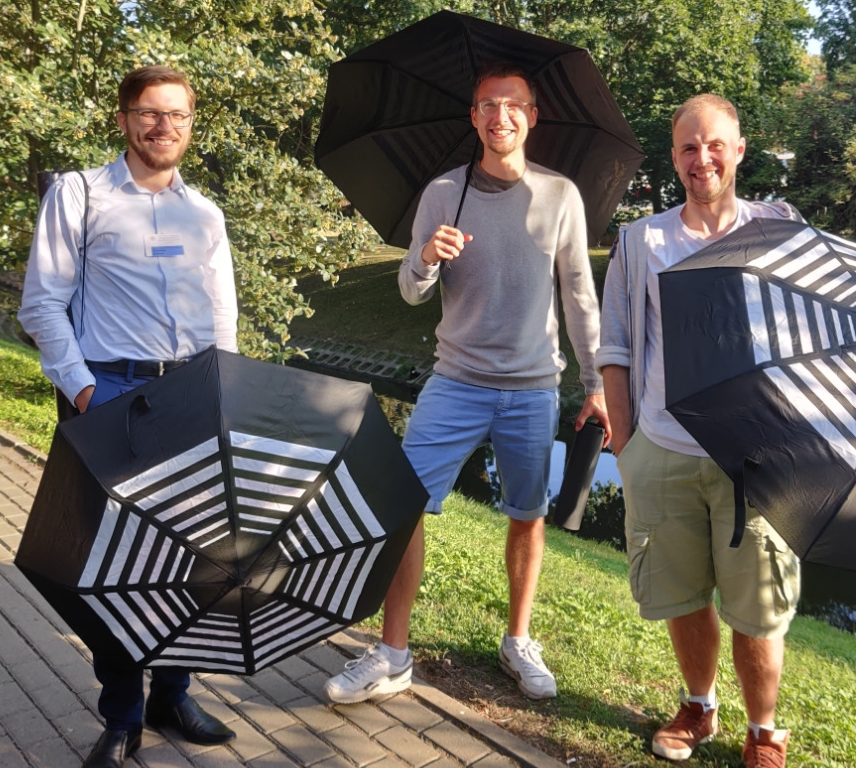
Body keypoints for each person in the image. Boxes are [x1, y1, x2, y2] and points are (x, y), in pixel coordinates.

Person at [324, 63, 611, 704]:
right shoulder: (443, 193)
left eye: (513, 105)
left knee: (527, 515)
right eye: (488, 105)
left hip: (534, 388)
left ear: (532, 116)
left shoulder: (560, 195)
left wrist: (595, 382)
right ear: (473, 117)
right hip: (454, 381)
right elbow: (410, 290)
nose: (500, 116)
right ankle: (393, 653)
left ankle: (518, 641)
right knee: (402, 504)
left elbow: (578, 295)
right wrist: (427, 257)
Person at [19, 65, 238, 768]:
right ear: (123, 119)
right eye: (149, 112)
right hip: (109, 389)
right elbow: (42, 304)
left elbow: (221, 313)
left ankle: (174, 692)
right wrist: (85, 392)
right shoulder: (80, 195)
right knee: (114, 560)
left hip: (192, 391)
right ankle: (123, 716)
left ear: (191, 124)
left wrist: (226, 390)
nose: (163, 126)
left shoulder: (205, 214)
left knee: (192, 553)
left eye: (178, 114)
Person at [596, 94, 803, 768]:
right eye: (688, 147)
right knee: (685, 596)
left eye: (715, 145)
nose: (702, 158)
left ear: (739, 150)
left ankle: (764, 732)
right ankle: (698, 707)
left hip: (757, 459)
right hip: (664, 450)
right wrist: (628, 449)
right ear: (674, 157)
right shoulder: (641, 242)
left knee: (758, 607)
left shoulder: (778, 231)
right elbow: (615, 347)